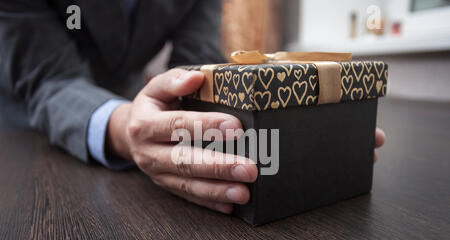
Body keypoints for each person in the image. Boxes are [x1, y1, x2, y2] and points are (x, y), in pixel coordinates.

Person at [0, 0, 386, 214]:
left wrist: (314, 133)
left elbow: (199, 66)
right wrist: (124, 125)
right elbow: (50, 79)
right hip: (28, 132)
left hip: (139, 102)